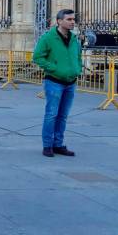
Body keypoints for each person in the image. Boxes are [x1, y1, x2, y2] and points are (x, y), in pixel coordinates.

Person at [33, 9, 81, 158]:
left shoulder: (74, 39)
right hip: (54, 82)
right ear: (59, 21)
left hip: (70, 82)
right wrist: (53, 68)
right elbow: (37, 57)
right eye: (69, 19)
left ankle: (58, 144)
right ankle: (47, 145)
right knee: (51, 114)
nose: (72, 22)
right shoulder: (48, 38)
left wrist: (77, 69)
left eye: (73, 19)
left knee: (63, 115)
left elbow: (78, 56)